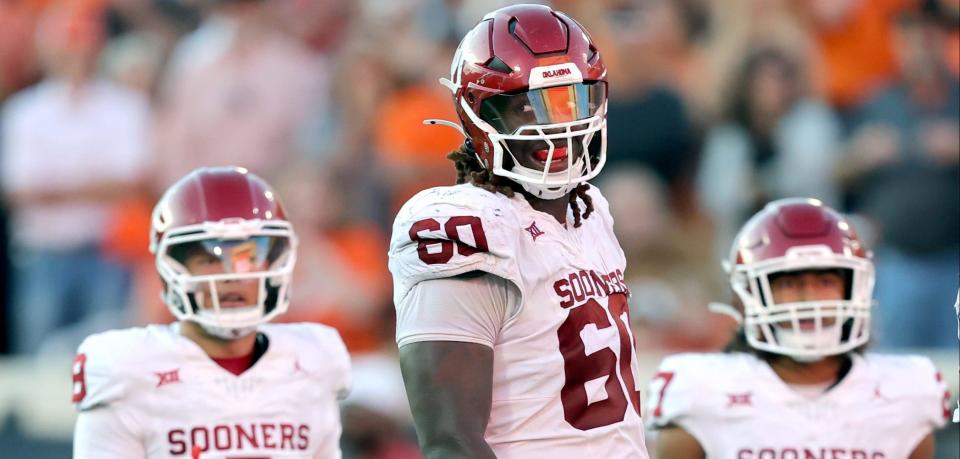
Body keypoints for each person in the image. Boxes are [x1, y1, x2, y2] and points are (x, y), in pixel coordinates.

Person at [387, 4, 648, 458]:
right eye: (529, 107)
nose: (556, 129)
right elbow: (451, 443)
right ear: (478, 115)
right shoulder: (465, 226)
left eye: (572, 100)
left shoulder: (591, 213)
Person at [72, 167, 351, 458]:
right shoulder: (128, 371)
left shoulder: (314, 360)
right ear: (173, 269)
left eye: (247, 257)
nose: (231, 275)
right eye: (208, 259)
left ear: (273, 262)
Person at [646, 198, 951, 459]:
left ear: (854, 288)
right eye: (790, 283)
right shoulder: (702, 392)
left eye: (826, 281)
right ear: (749, 294)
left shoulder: (905, 392)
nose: (809, 299)